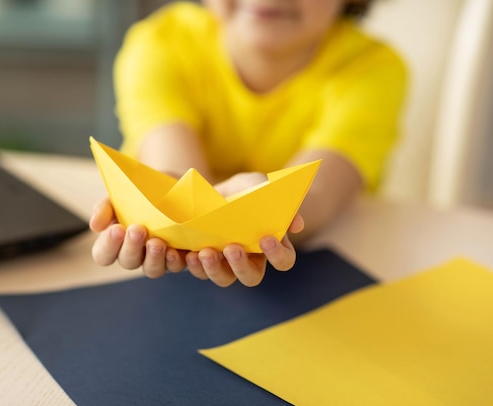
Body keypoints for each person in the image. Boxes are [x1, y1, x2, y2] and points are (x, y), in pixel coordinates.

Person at [89, 0, 408, 287]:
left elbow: (319, 194)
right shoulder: (159, 43)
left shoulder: (372, 69)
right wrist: (170, 211)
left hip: (321, 274)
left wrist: (258, 216)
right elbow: (178, 180)